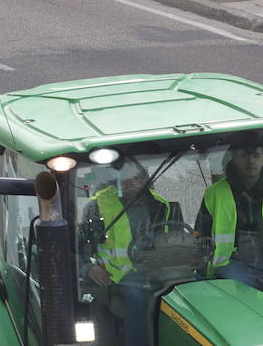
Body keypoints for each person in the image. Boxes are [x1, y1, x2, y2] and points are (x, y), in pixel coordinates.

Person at [83, 158, 183, 344]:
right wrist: (88, 268)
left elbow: (178, 242)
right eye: (124, 177)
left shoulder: (162, 206)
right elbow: (77, 247)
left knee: (189, 296)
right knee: (138, 299)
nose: (130, 181)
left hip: (160, 275)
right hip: (115, 279)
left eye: (135, 177)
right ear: (116, 179)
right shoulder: (96, 207)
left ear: (145, 178)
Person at [197, 132, 263, 288]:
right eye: (244, 155)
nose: (251, 161)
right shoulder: (215, 193)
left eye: (256, 155)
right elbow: (200, 236)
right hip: (230, 265)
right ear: (233, 157)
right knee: (236, 297)